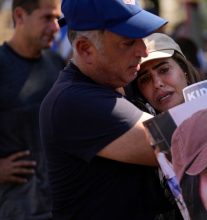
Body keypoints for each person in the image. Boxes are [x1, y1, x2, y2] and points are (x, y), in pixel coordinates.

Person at [38, 0, 178, 219]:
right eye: (128, 42)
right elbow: (179, 145)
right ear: (85, 49)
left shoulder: (122, 80)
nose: (143, 50)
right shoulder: (73, 101)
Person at [0, 0, 64, 219]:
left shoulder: (57, 64)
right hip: (15, 209)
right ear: (19, 16)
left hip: (59, 204)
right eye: (47, 18)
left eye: (57, 18)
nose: (56, 27)